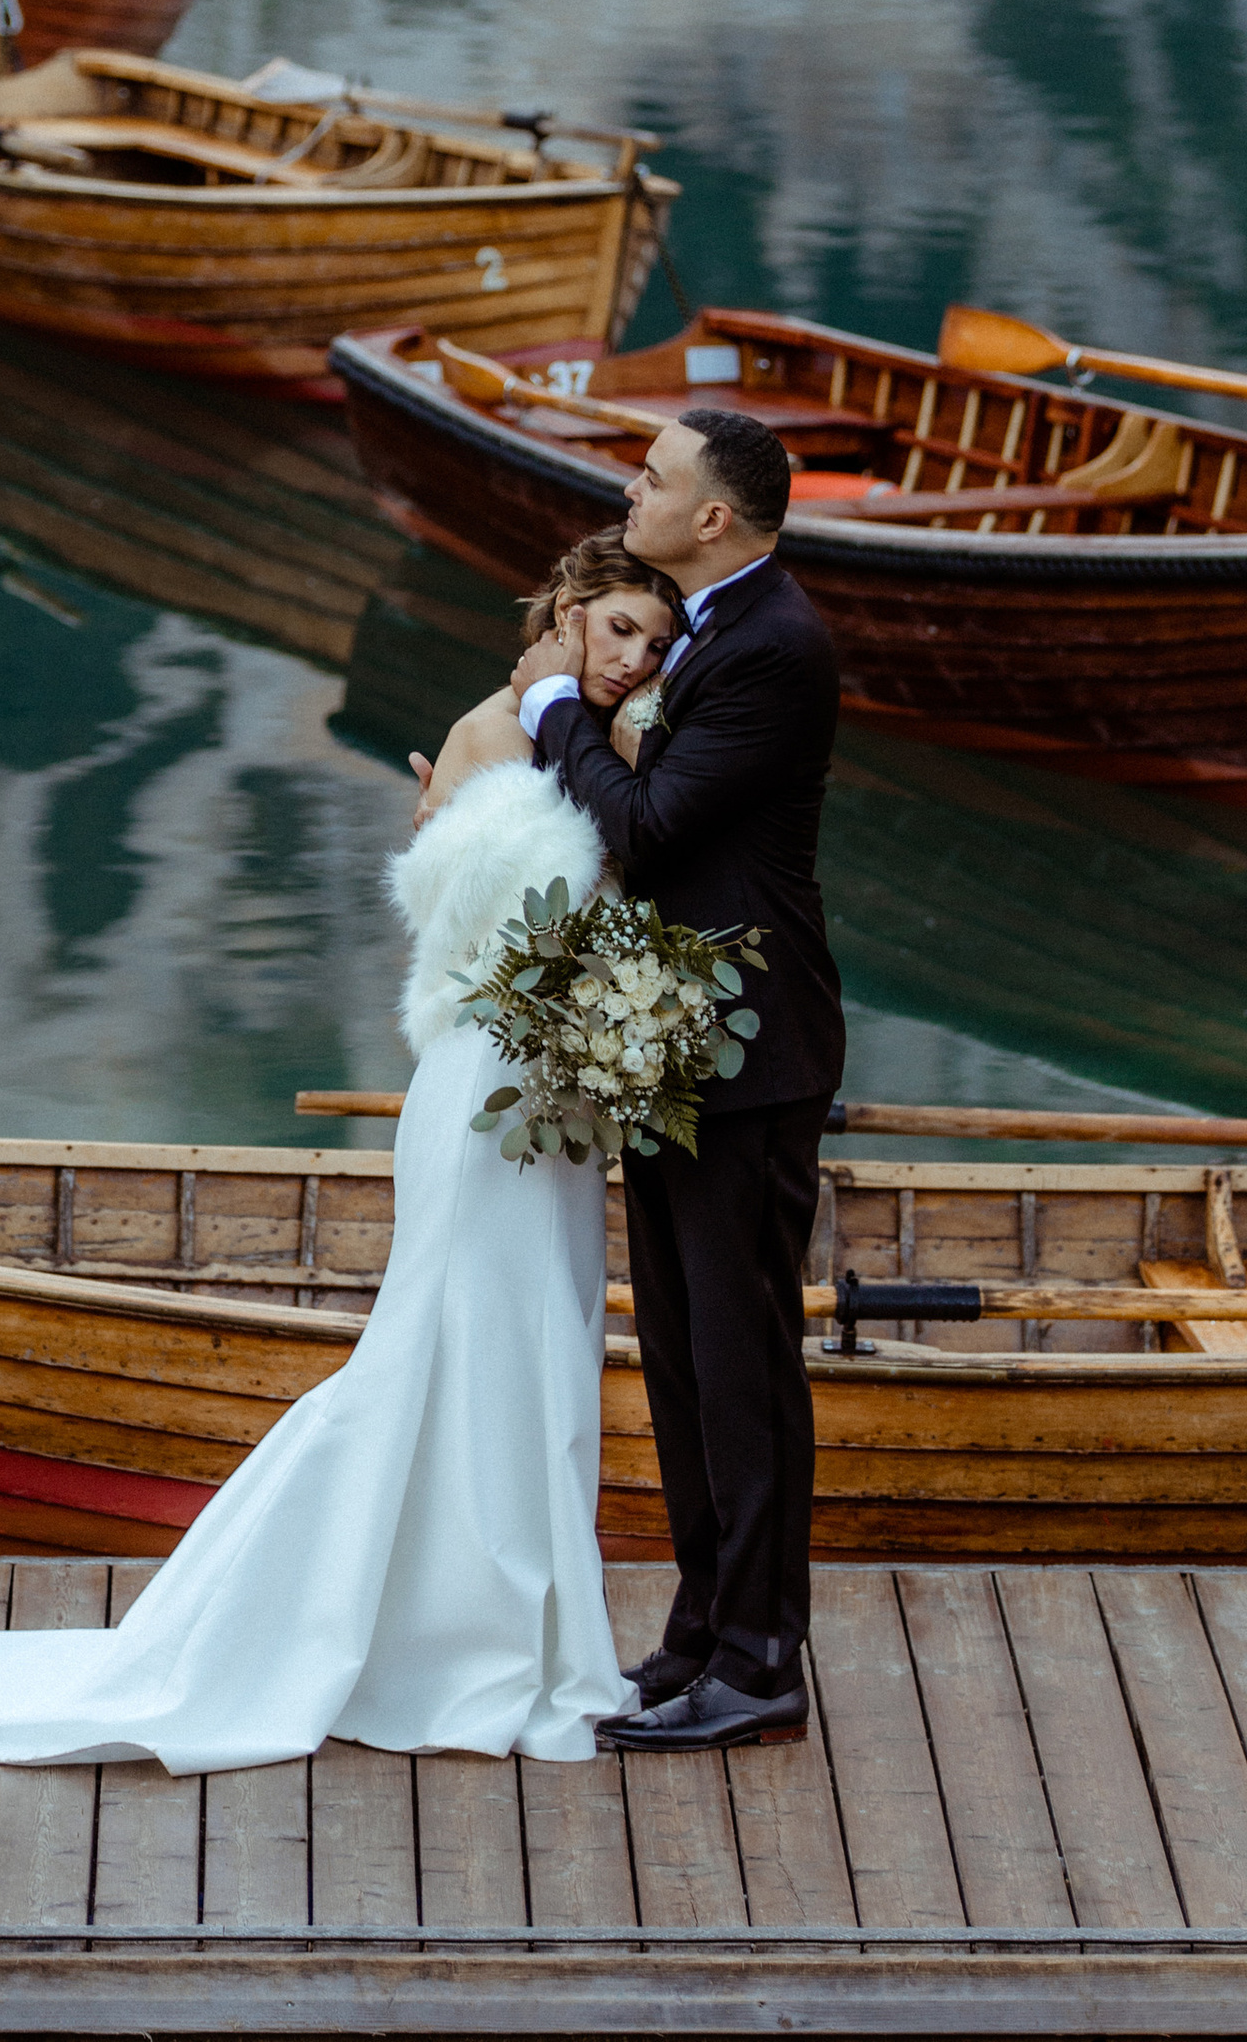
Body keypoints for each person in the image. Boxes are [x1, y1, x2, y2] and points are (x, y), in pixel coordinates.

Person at [0, 534, 682, 1775]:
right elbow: (536, 929)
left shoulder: (581, 744)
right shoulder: (503, 738)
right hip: (488, 1100)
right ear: (566, 613)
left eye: (654, 646)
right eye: (617, 627)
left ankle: (508, 1630)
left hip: (547, 1103)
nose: (632, 659)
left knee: (535, 1355)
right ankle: (428, 1643)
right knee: (455, 1352)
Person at [514, 407, 844, 1756]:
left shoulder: (775, 649)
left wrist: (548, 712)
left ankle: (762, 1658)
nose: (629, 490)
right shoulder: (705, 629)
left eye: (652, 477)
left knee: (744, 1359)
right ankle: (703, 1630)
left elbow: (648, 833)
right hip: (673, 1044)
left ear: (714, 518)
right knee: (684, 1358)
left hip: (753, 1054)